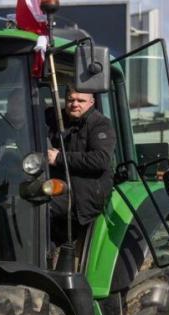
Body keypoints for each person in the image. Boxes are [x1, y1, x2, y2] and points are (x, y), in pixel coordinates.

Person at [47, 86, 116, 245]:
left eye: (81, 100)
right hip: (59, 186)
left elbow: (101, 159)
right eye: (71, 100)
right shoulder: (57, 121)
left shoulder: (101, 124)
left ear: (91, 102)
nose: (75, 104)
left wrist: (59, 158)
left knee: (40, 210)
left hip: (84, 192)